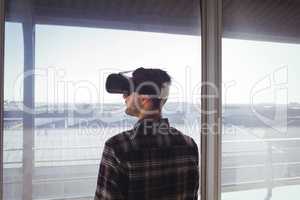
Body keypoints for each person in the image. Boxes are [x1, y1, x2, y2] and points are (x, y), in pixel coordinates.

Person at [94, 67, 199, 200]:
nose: (124, 96)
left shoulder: (117, 147)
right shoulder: (189, 145)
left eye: (128, 92)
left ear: (144, 99)